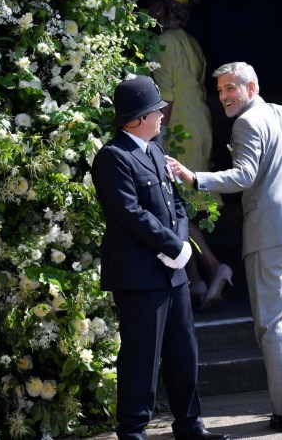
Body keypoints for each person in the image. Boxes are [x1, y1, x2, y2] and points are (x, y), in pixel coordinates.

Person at [167, 62, 282, 433]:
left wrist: (194, 178)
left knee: (271, 324)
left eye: (230, 89)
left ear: (251, 87)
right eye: (219, 90)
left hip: (269, 233)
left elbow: (244, 176)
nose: (223, 97)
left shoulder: (247, 122)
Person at [91, 74, 229, 440]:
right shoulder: (112, 157)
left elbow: (176, 205)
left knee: (184, 352)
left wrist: (181, 247)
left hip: (173, 272)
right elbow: (129, 213)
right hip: (139, 275)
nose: (161, 117)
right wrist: (172, 247)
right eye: (155, 112)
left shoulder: (153, 150)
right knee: (141, 358)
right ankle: (133, 432)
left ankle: (189, 425)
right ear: (136, 119)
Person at [146, 0, 232, 310]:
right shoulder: (191, 42)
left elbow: (165, 95)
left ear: (161, 7)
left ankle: (213, 266)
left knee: (177, 206)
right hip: (199, 125)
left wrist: (158, 136)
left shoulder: (164, 43)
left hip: (179, 126)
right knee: (184, 206)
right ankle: (195, 283)